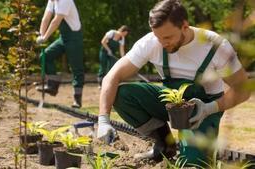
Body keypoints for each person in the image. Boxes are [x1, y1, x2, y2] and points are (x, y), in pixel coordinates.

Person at [96, 0, 250, 167]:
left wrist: (208, 109)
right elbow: (111, 76)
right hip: (171, 103)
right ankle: (164, 145)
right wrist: (103, 119)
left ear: (185, 26)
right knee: (122, 95)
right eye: (158, 37)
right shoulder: (152, 42)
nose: (162, 43)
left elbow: (243, 90)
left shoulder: (215, 46)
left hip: (204, 108)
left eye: (168, 37)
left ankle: (195, 150)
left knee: (192, 164)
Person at [36, 0, 84, 108]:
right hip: (63, 38)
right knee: (45, 56)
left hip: (74, 38)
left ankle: (77, 99)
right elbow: (46, 18)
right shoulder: (52, 1)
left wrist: (45, 38)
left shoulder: (65, 0)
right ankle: (53, 86)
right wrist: (41, 34)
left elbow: (55, 21)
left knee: (76, 69)